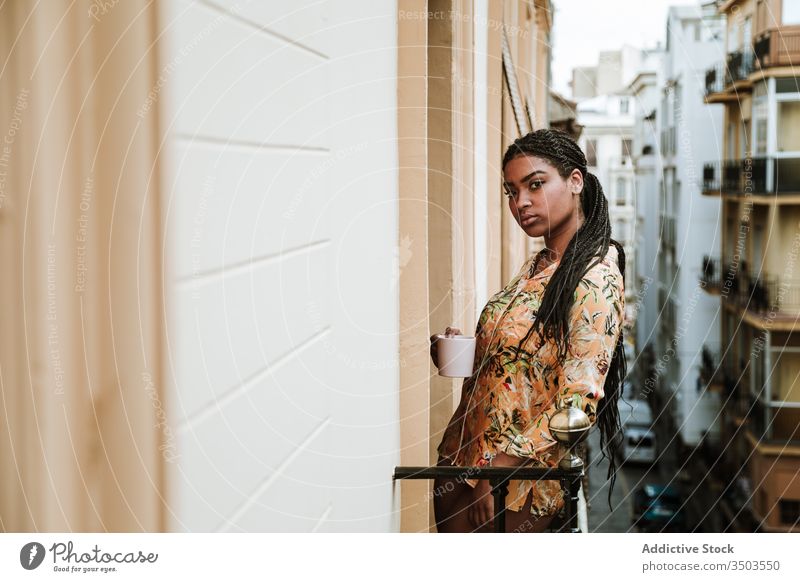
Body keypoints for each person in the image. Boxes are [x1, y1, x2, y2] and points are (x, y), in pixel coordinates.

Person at [429, 129, 626, 533]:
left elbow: (577, 407)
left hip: (514, 487)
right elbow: (523, 371)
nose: (520, 202)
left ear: (575, 182)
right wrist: (468, 352)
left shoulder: (595, 278)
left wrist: (495, 470)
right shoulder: (540, 265)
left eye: (536, 185)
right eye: (511, 191)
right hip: (462, 464)